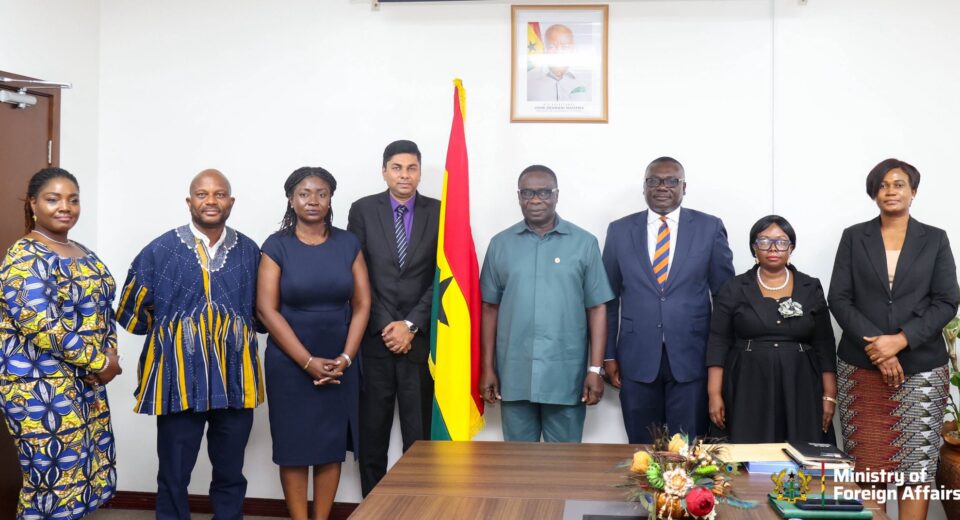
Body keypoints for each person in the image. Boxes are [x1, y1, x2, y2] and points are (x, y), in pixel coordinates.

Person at [116, 169, 263, 520]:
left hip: (234, 379)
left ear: (231, 201)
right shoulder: (160, 250)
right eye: (202, 194)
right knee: (174, 473)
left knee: (231, 472)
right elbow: (133, 313)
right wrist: (181, 337)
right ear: (189, 201)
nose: (211, 201)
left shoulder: (250, 251)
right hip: (178, 381)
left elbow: (263, 312)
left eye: (219, 194)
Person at [828, 158, 958, 520]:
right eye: (882, 185)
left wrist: (901, 340)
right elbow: (839, 298)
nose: (890, 191)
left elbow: (946, 300)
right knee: (869, 466)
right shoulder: (854, 237)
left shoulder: (935, 239)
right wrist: (880, 349)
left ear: (913, 192)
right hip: (862, 366)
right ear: (874, 193)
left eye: (899, 184)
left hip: (922, 369)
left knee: (915, 469)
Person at [0, 167, 121, 519]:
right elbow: (41, 325)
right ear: (33, 204)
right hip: (39, 387)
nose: (65, 207)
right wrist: (102, 363)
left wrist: (109, 355)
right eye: (53, 199)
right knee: (51, 483)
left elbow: (103, 308)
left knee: (83, 476)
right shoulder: (24, 256)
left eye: (73, 199)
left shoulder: (81, 251)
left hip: (86, 383)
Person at [257, 167, 371, 520]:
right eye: (304, 193)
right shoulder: (276, 246)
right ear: (291, 199)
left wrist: (346, 358)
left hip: (339, 362)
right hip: (289, 363)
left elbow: (363, 303)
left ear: (330, 199)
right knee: (293, 448)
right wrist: (307, 361)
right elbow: (266, 309)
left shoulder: (348, 243)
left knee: (329, 447)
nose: (313, 200)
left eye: (321, 193)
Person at [602, 157, 735, 443]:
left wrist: (720, 359)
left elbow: (724, 299)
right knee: (641, 450)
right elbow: (608, 299)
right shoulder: (619, 231)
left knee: (688, 450)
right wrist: (608, 354)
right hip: (635, 358)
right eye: (654, 180)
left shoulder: (709, 228)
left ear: (684, 187)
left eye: (671, 181)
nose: (662, 187)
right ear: (644, 187)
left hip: (693, 357)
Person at [478, 165, 612, 442]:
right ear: (519, 197)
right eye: (528, 193)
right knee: (517, 462)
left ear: (556, 195)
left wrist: (595, 369)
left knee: (565, 463)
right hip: (514, 375)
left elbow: (597, 308)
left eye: (544, 192)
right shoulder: (500, 244)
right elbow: (490, 307)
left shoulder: (584, 243)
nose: (536, 200)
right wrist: (487, 367)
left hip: (566, 377)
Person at [347, 140, 440, 496]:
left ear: (420, 172)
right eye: (397, 168)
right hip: (376, 340)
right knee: (372, 437)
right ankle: (373, 508)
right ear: (384, 171)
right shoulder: (363, 210)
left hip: (420, 343)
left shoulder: (440, 211)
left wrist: (411, 325)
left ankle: (419, 508)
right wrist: (388, 325)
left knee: (420, 438)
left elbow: (443, 277)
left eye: (411, 168)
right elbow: (357, 273)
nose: (404, 175)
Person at [705, 215, 837, 443]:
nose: (773, 248)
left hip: (800, 382)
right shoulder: (734, 287)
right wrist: (714, 394)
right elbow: (718, 341)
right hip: (747, 381)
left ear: (791, 248)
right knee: (748, 451)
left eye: (781, 242)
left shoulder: (810, 286)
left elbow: (824, 343)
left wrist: (829, 395)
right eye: (764, 241)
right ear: (754, 248)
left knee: (801, 450)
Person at [527, 23, 591, 102]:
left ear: (573, 49)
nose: (558, 51)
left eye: (564, 47)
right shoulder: (528, 80)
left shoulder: (589, 80)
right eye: (552, 47)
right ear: (544, 49)